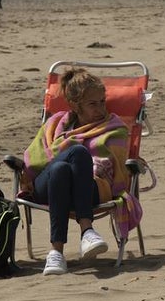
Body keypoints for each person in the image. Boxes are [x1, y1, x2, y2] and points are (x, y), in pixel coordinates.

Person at [19, 67, 141, 276]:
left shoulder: (114, 127)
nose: (100, 108)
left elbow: (117, 166)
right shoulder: (55, 123)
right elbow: (36, 159)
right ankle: (87, 230)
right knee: (73, 153)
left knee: (61, 168)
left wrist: (92, 165)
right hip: (45, 187)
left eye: (102, 101)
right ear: (75, 106)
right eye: (92, 104)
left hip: (93, 188)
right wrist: (70, 148)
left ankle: (56, 252)